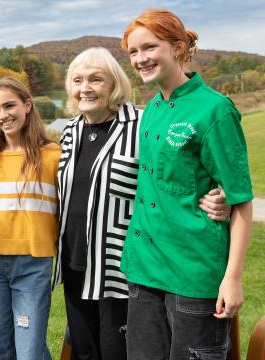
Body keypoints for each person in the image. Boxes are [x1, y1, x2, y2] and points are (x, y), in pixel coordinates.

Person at [54, 47, 230, 360]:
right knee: (83, 350)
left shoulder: (141, 124)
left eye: (96, 79)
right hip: (75, 264)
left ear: (114, 84)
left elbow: (180, 173)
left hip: (122, 271)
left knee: (116, 352)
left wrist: (223, 198)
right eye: (77, 80)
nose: (85, 88)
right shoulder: (70, 131)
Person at [120, 9, 253, 360]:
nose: (140, 59)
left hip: (192, 273)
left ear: (178, 47)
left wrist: (233, 278)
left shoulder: (214, 110)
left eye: (149, 47)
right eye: (133, 52)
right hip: (144, 269)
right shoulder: (151, 109)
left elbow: (239, 199)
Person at [0, 76, 60, 360]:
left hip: (33, 262)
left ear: (27, 105)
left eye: (9, 106)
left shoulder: (54, 155)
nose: (2, 115)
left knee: (29, 349)